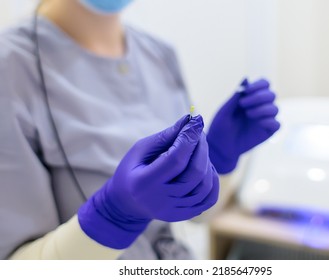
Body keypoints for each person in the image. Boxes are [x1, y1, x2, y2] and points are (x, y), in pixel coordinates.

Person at [0, 0, 280, 260]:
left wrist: (217, 160)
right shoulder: (11, 66)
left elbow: (193, 218)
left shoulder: (159, 54)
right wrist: (112, 217)